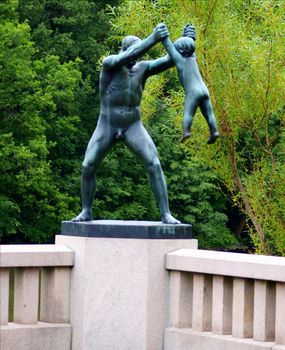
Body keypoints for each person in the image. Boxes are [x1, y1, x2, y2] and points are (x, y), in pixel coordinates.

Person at [72, 23, 196, 224]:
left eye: (138, 54)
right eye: (133, 52)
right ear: (123, 50)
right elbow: (127, 56)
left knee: (154, 164)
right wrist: (154, 37)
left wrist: (185, 44)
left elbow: (169, 61)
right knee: (88, 165)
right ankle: (86, 211)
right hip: (108, 124)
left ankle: (166, 214)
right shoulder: (110, 63)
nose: (136, 58)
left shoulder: (142, 69)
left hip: (133, 125)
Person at [162, 25, 219, 143]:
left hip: (193, 91)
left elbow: (169, 48)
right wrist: (187, 36)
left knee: (188, 113)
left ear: (180, 51)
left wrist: (163, 37)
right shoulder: (193, 58)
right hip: (204, 89)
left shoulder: (180, 60)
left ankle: (186, 131)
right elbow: (189, 46)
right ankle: (214, 131)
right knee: (208, 113)